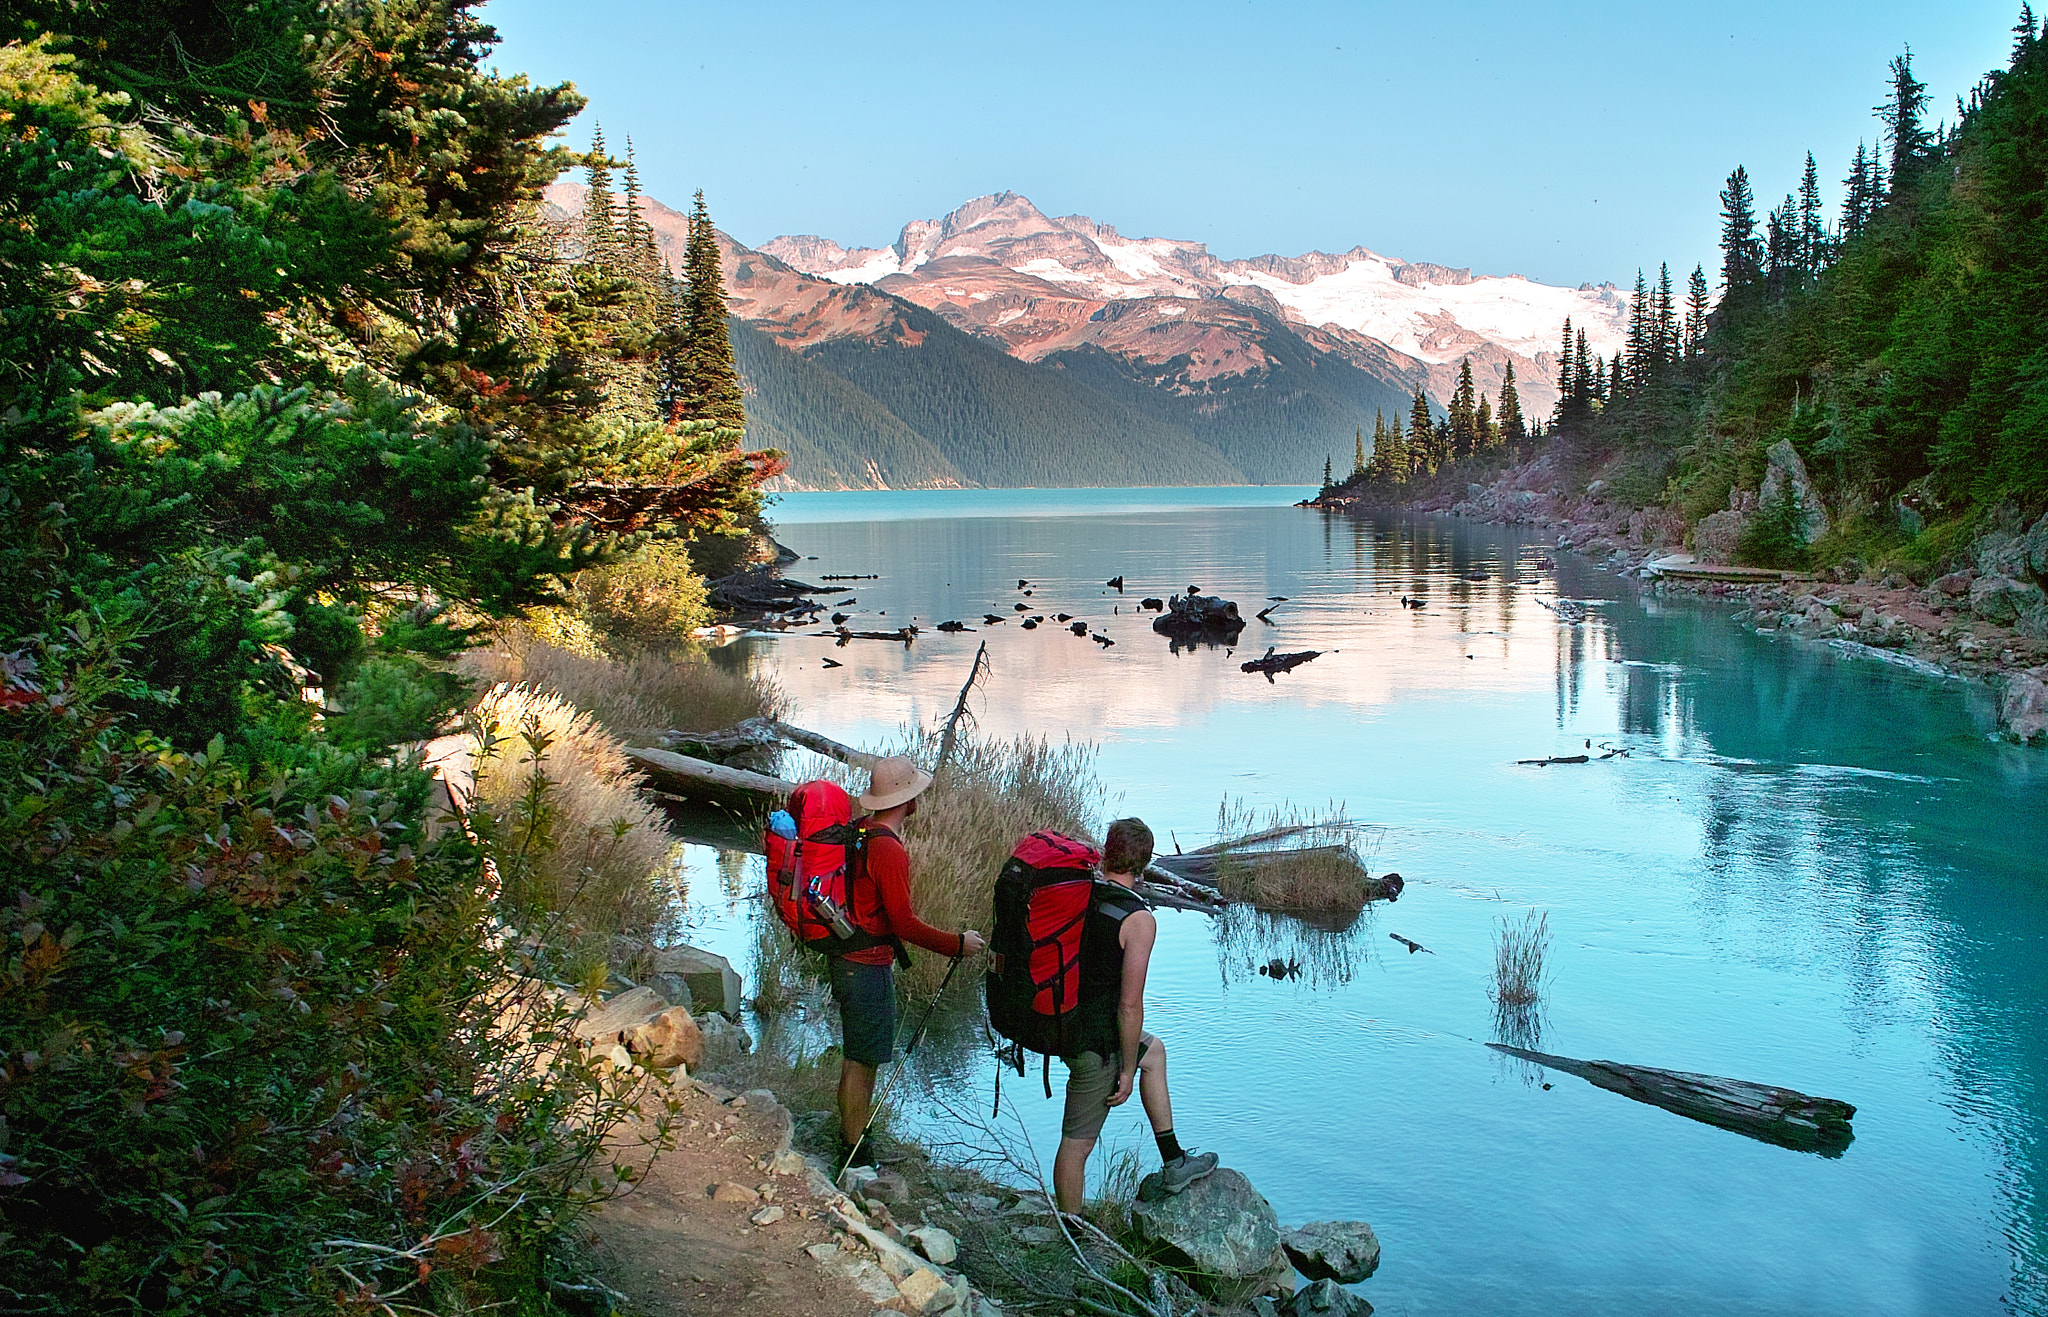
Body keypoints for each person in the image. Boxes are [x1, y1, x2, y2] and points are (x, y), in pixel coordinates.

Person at [1052, 817, 1217, 1212]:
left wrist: (1135, 1058)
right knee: (1077, 1145)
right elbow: (1129, 1005)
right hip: (1093, 1040)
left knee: (1154, 1053)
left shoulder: (1082, 892)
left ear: (1108, 852)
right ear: (1143, 866)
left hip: (1062, 1020)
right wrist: (1126, 1069)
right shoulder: (1138, 920)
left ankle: (1174, 1159)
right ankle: (1072, 1236)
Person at [831, 755, 986, 1166]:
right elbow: (903, 922)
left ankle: (854, 1145)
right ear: (907, 799)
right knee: (863, 1063)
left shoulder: (860, 831)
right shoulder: (887, 849)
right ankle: (855, 1158)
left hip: (846, 959)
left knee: (857, 1056)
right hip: (867, 965)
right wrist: (957, 944)